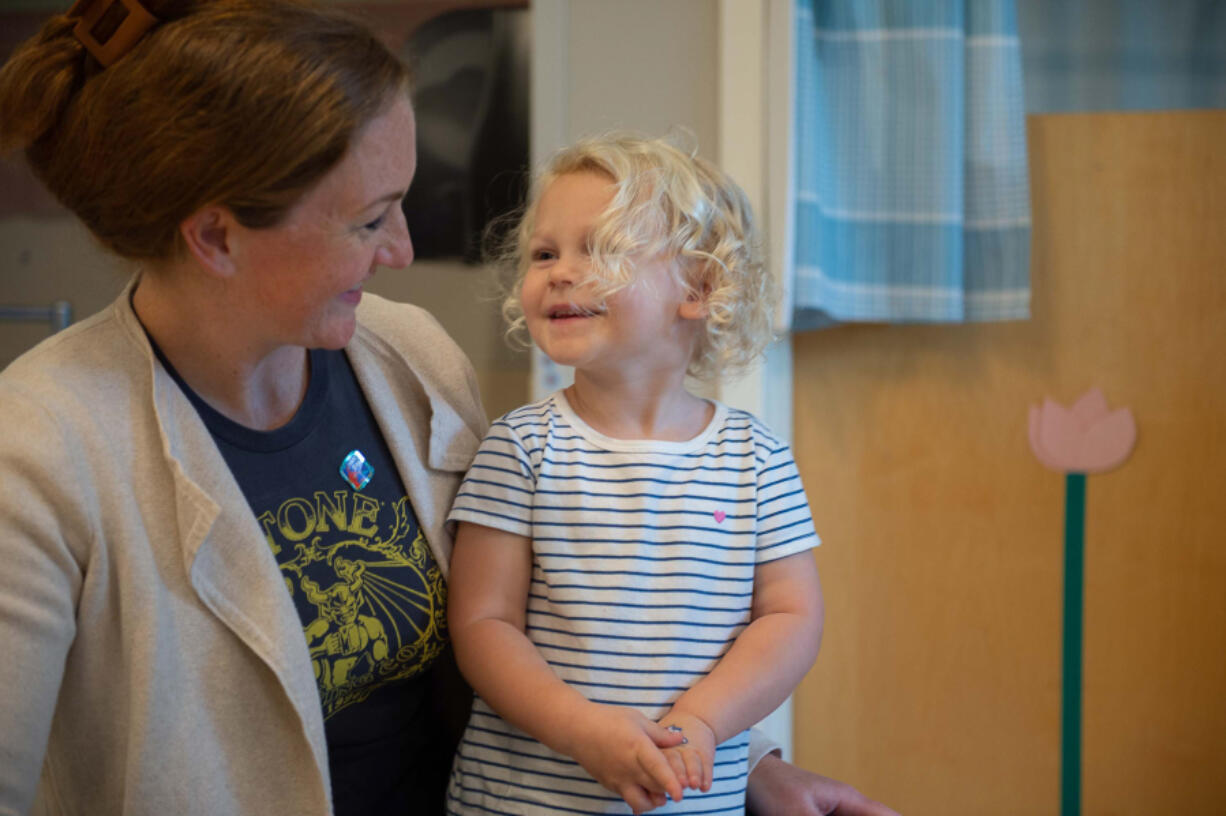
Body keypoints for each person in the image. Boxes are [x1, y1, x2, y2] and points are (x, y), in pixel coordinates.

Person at [0, 1, 899, 815]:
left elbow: (573, 618)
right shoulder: (39, 450)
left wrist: (743, 764)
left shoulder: (409, 356)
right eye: (369, 219)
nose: (402, 249)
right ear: (216, 236)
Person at [444, 133, 823, 815]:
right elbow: (482, 623)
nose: (560, 271)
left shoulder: (757, 459)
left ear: (699, 288)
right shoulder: (521, 448)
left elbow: (791, 617)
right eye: (545, 253)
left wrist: (702, 721)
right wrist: (579, 728)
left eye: (605, 248)